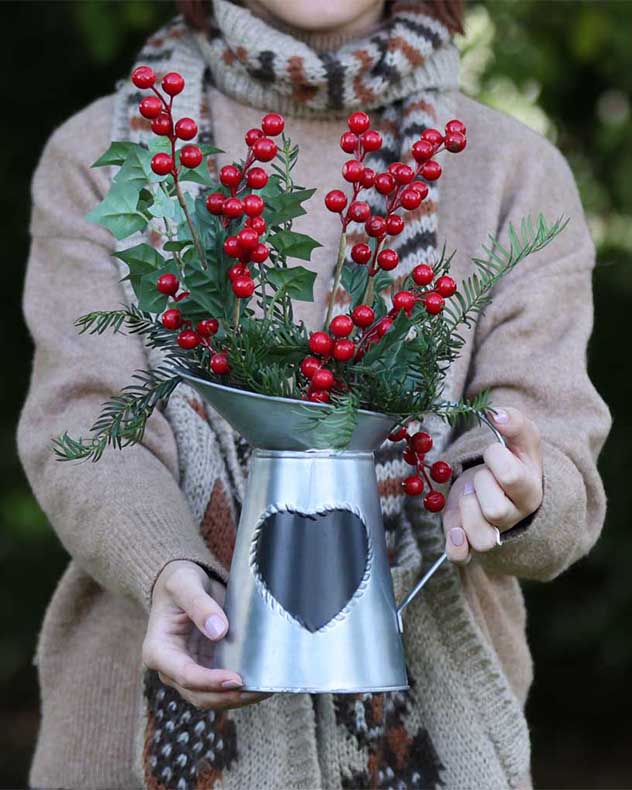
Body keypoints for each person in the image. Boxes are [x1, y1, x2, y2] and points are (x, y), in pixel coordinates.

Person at [19, 0, 610, 788]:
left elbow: (550, 441)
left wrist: (513, 493)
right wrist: (164, 566)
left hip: (436, 746)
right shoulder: (110, 154)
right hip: (127, 738)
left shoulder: (510, 171)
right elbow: (86, 424)